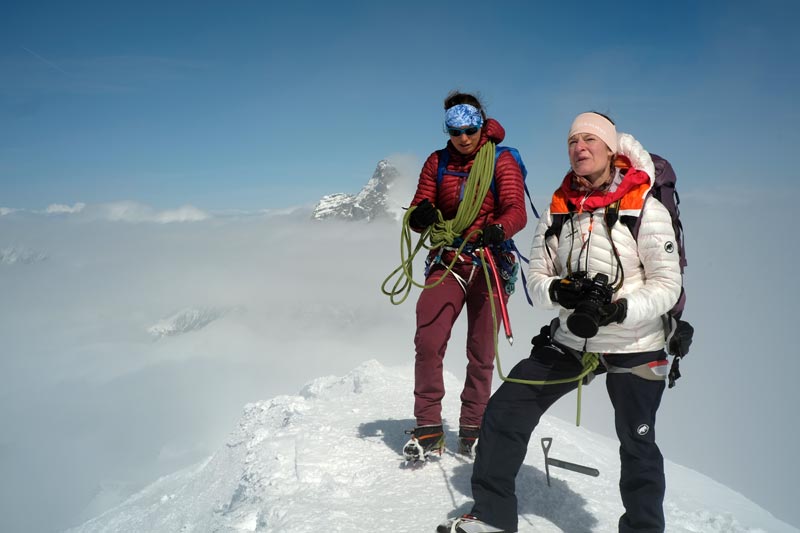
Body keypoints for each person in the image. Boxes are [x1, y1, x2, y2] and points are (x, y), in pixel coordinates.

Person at [439, 112, 682, 533]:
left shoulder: (646, 205)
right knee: (504, 412)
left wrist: (619, 308)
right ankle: (492, 517)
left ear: (611, 149)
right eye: (573, 141)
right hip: (573, 338)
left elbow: (667, 285)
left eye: (590, 139)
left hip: (635, 342)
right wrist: (558, 292)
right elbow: (536, 276)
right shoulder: (557, 209)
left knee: (637, 442)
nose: (580, 148)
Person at [402, 91, 527, 461]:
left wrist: (498, 230)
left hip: (490, 261)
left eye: (470, 130)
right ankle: (428, 427)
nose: (464, 138)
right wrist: (418, 217)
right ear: (448, 130)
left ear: (481, 125)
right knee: (428, 340)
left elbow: (515, 210)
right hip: (450, 259)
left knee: (481, 351)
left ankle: (474, 427)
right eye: (455, 131)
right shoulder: (437, 162)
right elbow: (417, 207)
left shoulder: (501, 160)